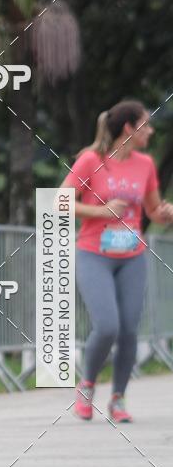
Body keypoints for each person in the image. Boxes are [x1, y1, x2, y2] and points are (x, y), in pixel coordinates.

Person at [61, 99, 173, 423]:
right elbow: (60, 201)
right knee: (107, 324)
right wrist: (101, 211)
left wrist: (164, 213)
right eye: (146, 125)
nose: (150, 131)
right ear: (129, 128)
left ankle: (118, 398)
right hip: (94, 254)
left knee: (128, 330)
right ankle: (86, 387)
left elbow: (152, 210)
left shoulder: (146, 164)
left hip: (132, 256)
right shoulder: (90, 161)